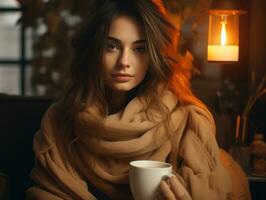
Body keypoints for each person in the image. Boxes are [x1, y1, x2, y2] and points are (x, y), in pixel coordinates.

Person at [26, 0, 250, 199]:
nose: (124, 61)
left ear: (154, 55)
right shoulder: (60, 121)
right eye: (112, 46)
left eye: (139, 49)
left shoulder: (186, 121)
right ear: (94, 50)